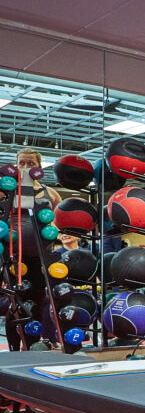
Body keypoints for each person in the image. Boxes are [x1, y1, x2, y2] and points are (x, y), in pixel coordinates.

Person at [3, 148, 61, 349]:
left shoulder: (49, 192)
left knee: (36, 302)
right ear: (16, 165)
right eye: (22, 163)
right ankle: (13, 349)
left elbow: (58, 220)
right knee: (16, 304)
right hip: (14, 256)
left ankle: (32, 346)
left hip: (39, 257)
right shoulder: (7, 190)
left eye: (31, 163)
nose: (26, 167)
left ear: (39, 167)